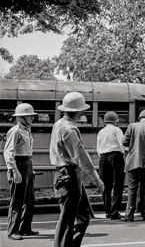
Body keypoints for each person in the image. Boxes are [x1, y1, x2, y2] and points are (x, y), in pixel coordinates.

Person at [50, 92, 104, 247]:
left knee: (82, 216)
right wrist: (96, 179)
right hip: (70, 175)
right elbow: (81, 157)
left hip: (64, 174)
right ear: (79, 111)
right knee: (68, 220)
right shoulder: (69, 130)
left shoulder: (59, 124)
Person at [4, 103, 38, 240]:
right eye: (30, 116)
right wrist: (15, 171)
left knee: (29, 200)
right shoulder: (15, 131)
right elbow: (8, 153)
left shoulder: (27, 130)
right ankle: (12, 230)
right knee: (17, 200)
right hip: (18, 164)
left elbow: (27, 152)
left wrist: (31, 168)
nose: (32, 118)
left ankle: (25, 227)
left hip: (27, 163)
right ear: (23, 118)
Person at [96, 111, 125, 220]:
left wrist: (102, 156)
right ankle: (114, 211)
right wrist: (123, 154)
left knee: (106, 185)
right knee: (117, 184)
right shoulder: (117, 130)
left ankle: (107, 210)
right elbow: (122, 144)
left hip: (103, 157)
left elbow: (98, 148)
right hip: (115, 155)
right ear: (115, 121)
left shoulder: (101, 132)